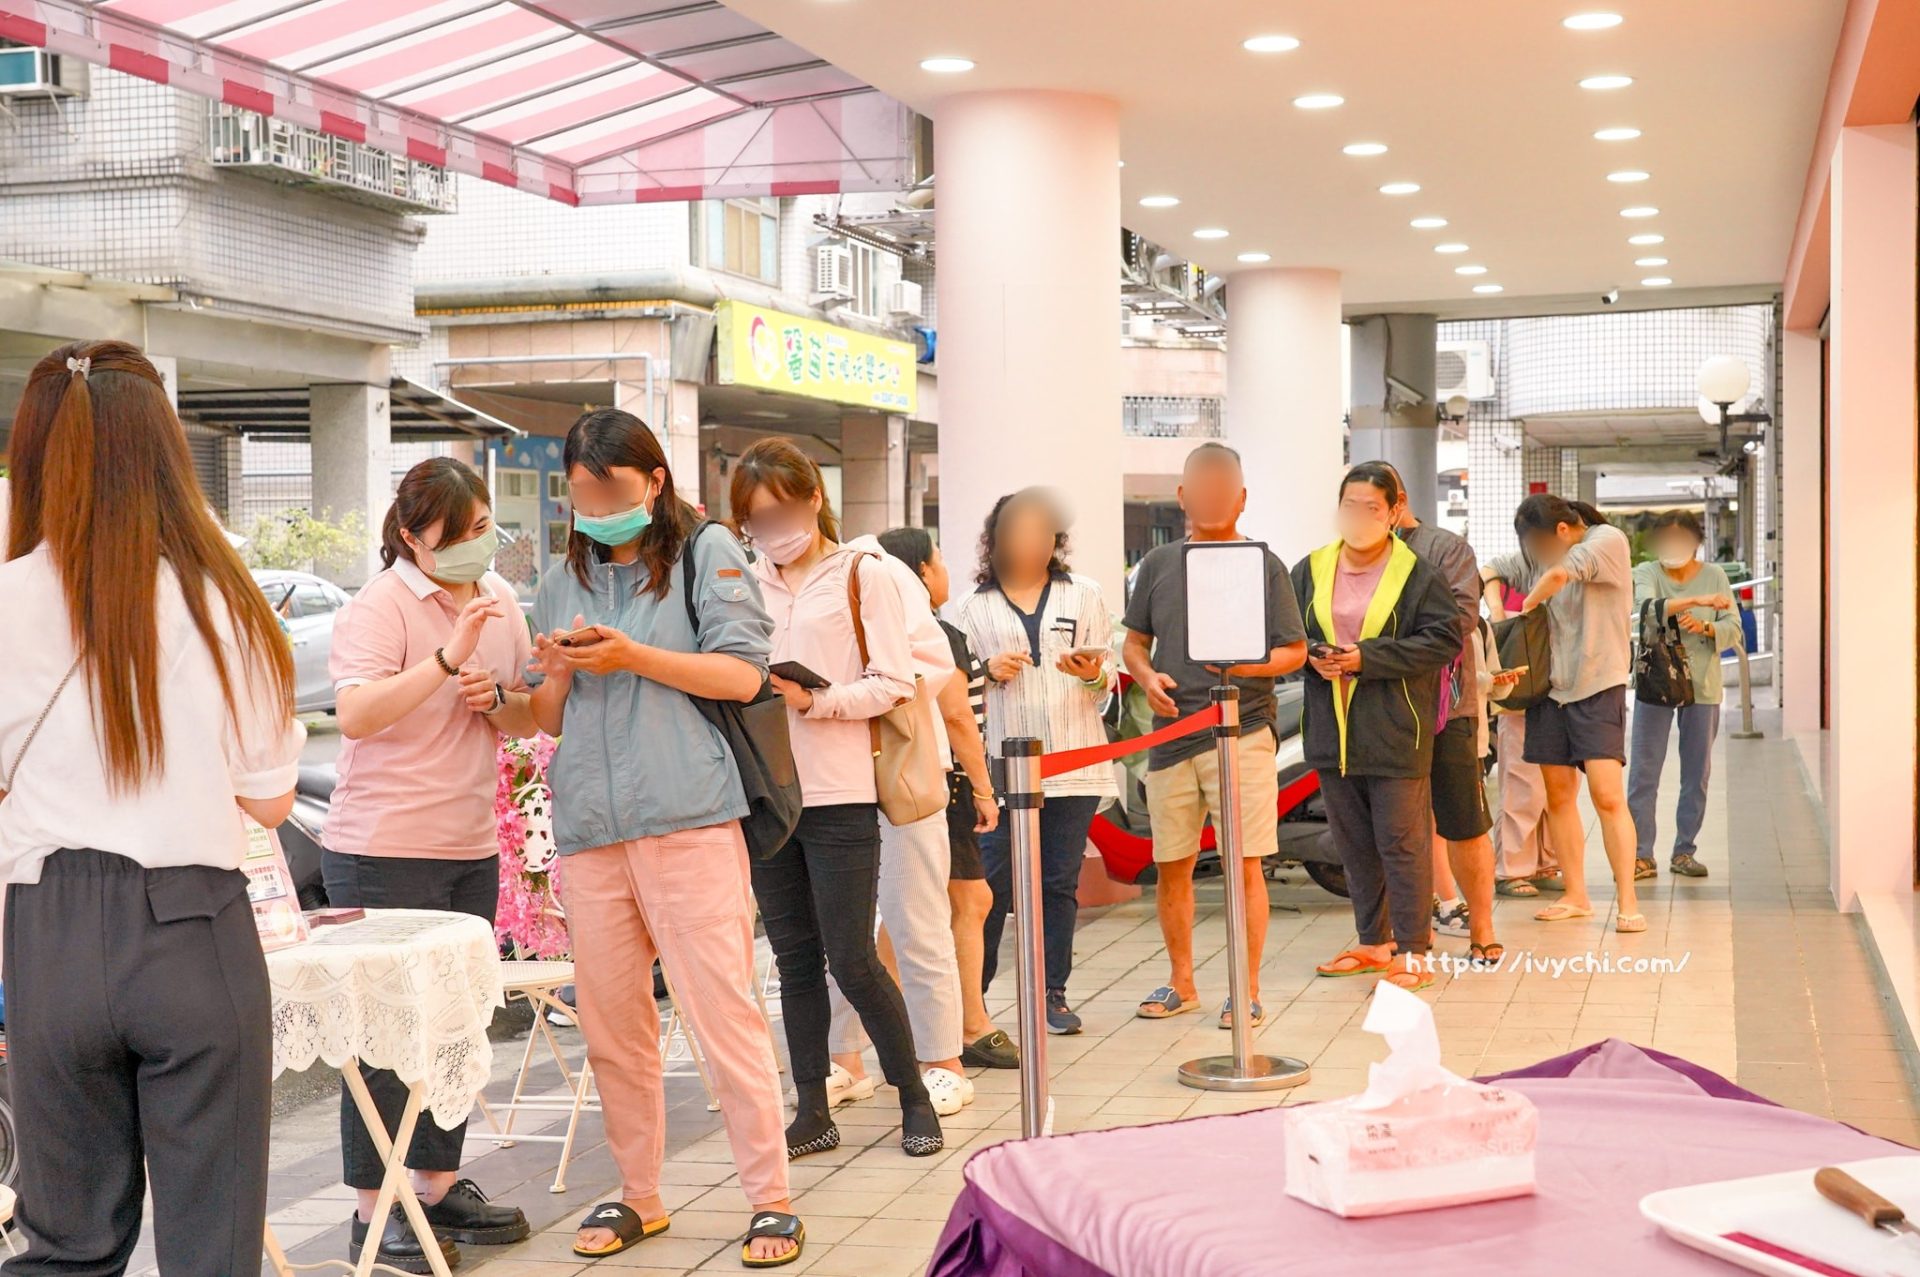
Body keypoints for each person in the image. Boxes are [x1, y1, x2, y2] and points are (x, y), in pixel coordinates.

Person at [0, 340, 304, 1274]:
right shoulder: (229, 605)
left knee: (64, 1245)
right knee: (212, 1248)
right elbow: (270, 798)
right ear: (165, 451)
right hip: (192, 927)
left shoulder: (4, 598)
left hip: (47, 931)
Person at [524, 411, 803, 1268]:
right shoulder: (558, 577)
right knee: (612, 1024)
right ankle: (640, 1194)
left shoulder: (705, 553)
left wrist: (633, 656)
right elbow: (544, 714)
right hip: (591, 830)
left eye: (610, 489)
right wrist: (562, 670)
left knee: (722, 1011)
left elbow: (744, 672)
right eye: (580, 491)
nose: (595, 505)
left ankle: (771, 1199)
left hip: (687, 815)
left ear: (653, 481)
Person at [324, 458, 536, 1271]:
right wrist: (447, 660)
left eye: (485, 526)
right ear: (413, 536)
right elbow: (356, 713)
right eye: (460, 533)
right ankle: (373, 1213)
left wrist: (499, 699)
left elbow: (520, 714)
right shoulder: (380, 605)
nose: (478, 544)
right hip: (379, 848)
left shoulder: (498, 599)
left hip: (465, 846)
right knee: (382, 1031)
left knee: (454, 1021)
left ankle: (438, 1186)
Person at [728, 438, 943, 1161]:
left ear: (814, 498)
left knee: (851, 954)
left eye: (782, 510)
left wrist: (815, 698)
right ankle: (813, 1107)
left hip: (841, 789)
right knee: (793, 957)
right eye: (756, 520)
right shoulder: (741, 580)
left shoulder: (863, 573)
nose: (773, 528)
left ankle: (913, 1093)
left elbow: (896, 681)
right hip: (767, 790)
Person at [1123, 443, 1307, 1028]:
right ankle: (1182, 981)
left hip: (1242, 729)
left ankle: (1245, 988)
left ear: (1241, 498)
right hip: (1170, 732)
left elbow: (1295, 650)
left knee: (1243, 862)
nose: (1210, 498)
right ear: (1183, 496)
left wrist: (1246, 664)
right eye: (1199, 488)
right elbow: (1135, 643)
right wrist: (1146, 677)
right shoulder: (1156, 565)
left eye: (1223, 488)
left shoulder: (1262, 564)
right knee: (1172, 863)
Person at [820, 526, 971, 1115]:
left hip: (901, 768)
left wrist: (852, 693)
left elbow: (933, 670)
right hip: (827, 774)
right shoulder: (772, 581)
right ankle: (846, 1060)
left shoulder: (878, 570)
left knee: (917, 921)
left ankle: (943, 1063)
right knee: (839, 930)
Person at [1296, 463, 1462, 991]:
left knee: (1402, 842)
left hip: (1396, 730)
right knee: (1354, 844)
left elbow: (1444, 640)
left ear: (1393, 511)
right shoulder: (1313, 566)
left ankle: (1413, 950)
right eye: (1351, 507)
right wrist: (1314, 658)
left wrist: (1367, 658)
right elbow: (1285, 636)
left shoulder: (1415, 572)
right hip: (1332, 730)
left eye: (1372, 507)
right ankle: (1373, 942)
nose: (1360, 517)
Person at [957, 489, 1117, 1035]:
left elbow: (1107, 684)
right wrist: (987, 671)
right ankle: (972, 1002)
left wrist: (1088, 673)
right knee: (992, 883)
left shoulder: (1085, 595)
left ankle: (1053, 992)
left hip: (1075, 761)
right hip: (999, 771)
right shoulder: (970, 608)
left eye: (1040, 532)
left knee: (1057, 883)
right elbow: (957, 690)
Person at [876, 527, 1017, 1070]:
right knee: (953, 904)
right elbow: (958, 718)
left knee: (924, 906)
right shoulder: (938, 631)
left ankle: (933, 1019)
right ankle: (967, 1024)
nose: (944, 570)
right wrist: (984, 789)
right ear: (920, 571)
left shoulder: (884, 630)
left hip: (908, 783)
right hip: (945, 783)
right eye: (938, 560)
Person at [1377, 464, 1503, 962]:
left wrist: (1382, 649)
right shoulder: (1347, 560)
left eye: (1370, 504)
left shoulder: (1446, 549)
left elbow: (1459, 621)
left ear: (1397, 502)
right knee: (1395, 827)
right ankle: (1405, 933)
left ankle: (1483, 929)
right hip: (1382, 711)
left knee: (1463, 820)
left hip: (1450, 707)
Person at [1512, 493, 1644, 932]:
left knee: (1608, 797)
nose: (1535, 553)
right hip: (1550, 690)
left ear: (1563, 531)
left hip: (1598, 684)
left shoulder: (1607, 540)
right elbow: (1495, 568)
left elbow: (1560, 574)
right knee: (1559, 798)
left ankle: (1628, 901)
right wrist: (1494, 599)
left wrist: (1523, 609)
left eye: (1539, 543)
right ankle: (1576, 895)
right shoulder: (1536, 556)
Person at [1627, 510, 1740, 881]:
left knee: (1697, 773)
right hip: (1655, 681)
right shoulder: (1647, 573)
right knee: (1644, 771)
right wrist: (1696, 602)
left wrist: (1706, 625)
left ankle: (1684, 850)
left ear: (1695, 542)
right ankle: (1642, 854)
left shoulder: (1716, 575)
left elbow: (1733, 628)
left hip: (1702, 684)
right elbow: (1646, 610)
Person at [1480, 554, 1564, 897]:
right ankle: (1512, 868)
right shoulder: (1523, 562)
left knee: (1554, 785)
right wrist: (1500, 614)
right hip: (1522, 689)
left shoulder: (1576, 564)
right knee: (1520, 780)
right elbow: (1487, 572)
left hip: (1557, 688)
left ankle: (1545, 862)